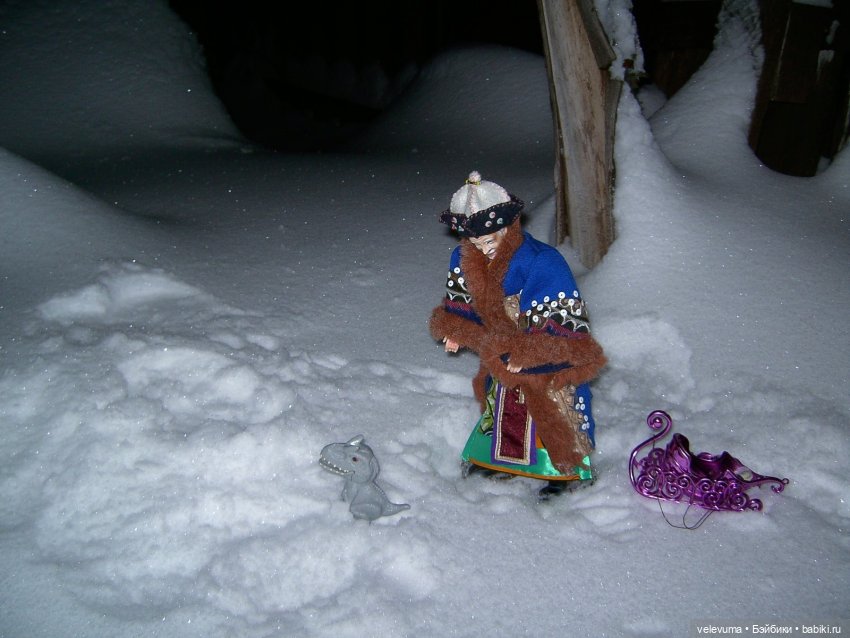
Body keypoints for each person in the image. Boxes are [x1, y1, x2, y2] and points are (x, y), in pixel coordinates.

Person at [429, 171, 606, 499]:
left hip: (537, 346)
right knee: (501, 408)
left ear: (507, 227)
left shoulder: (542, 260)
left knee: (555, 405)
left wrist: (530, 350)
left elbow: (560, 312)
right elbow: (461, 302)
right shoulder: (464, 258)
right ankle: (499, 460)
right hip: (499, 351)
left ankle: (567, 469)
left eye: (490, 240)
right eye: (475, 242)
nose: (483, 249)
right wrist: (456, 330)